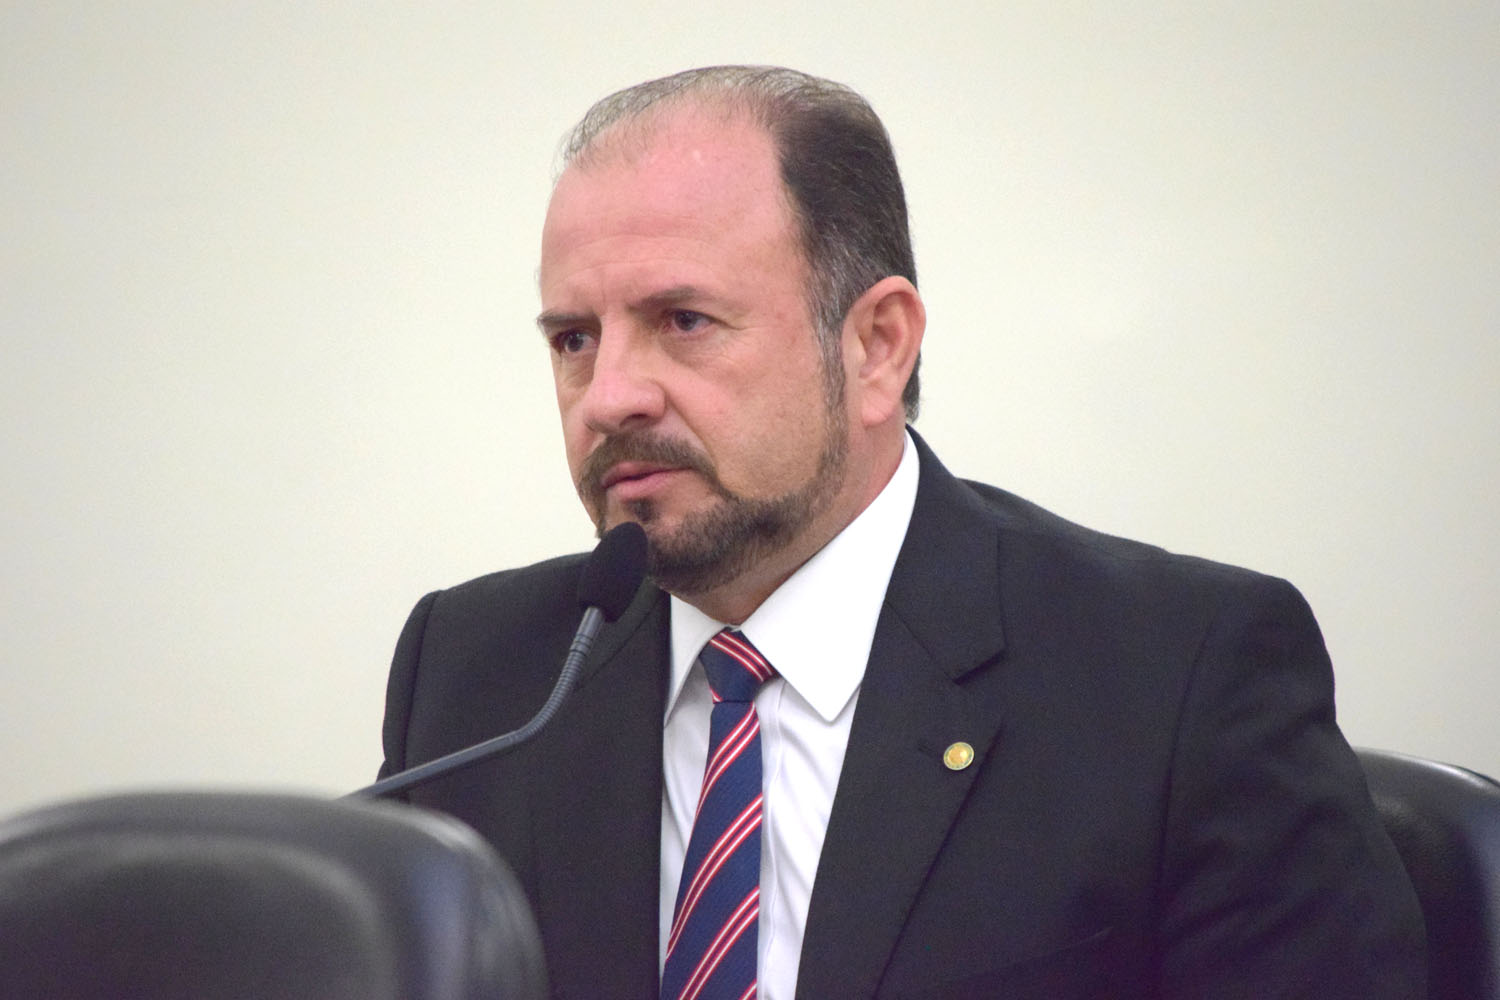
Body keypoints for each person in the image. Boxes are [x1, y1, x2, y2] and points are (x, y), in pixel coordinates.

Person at [377, 66, 1426, 999]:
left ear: (877, 346)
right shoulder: (478, 677)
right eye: (574, 339)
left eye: (684, 321)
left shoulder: (1178, 678)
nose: (609, 395)